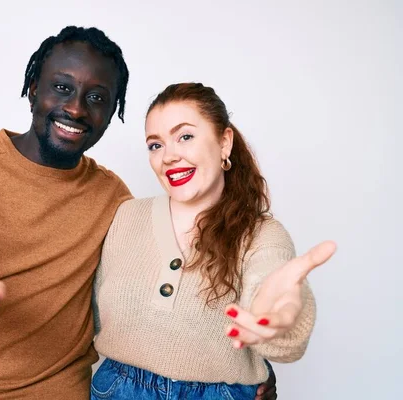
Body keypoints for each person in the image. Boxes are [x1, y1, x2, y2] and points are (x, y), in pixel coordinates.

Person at [0, 26, 278, 399]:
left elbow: (169, 297)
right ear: (33, 89)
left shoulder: (114, 199)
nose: (75, 108)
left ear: (112, 113)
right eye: (62, 88)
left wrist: (247, 372)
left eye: (96, 97)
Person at [91, 83, 336, 399]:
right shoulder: (126, 215)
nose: (169, 156)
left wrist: (278, 316)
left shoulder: (262, 235)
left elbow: (274, 292)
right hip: (116, 389)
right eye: (155, 145)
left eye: (185, 137)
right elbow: (87, 315)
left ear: (224, 143)